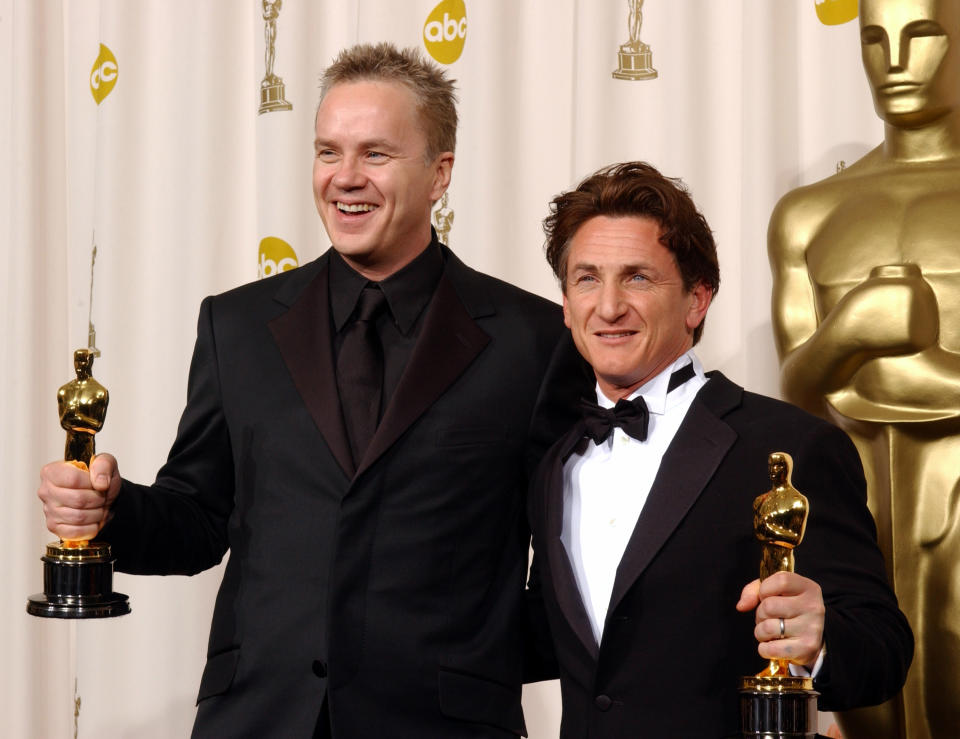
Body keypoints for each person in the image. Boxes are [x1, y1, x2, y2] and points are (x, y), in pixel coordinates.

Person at [38, 42, 584, 738]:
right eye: (328, 152)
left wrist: (473, 659)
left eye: (376, 154)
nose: (345, 178)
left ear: (439, 173)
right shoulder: (236, 325)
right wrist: (111, 507)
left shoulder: (532, 340)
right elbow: (200, 517)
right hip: (260, 718)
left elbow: (575, 567)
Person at [525, 161, 913, 737]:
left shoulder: (791, 446)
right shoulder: (557, 461)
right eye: (587, 279)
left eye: (637, 278)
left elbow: (883, 651)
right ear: (565, 303)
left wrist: (821, 640)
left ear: (696, 300)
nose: (607, 307)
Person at [768, 1, 960, 736]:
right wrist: (852, 329)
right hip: (854, 504)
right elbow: (797, 384)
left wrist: (909, 366)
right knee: (868, 701)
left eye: (923, 37)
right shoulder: (807, 214)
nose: (896, 63)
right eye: (876, 40)